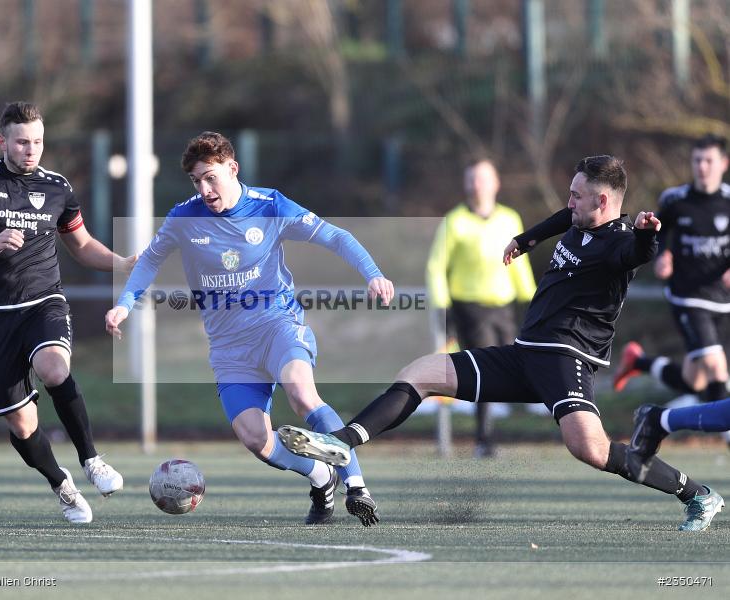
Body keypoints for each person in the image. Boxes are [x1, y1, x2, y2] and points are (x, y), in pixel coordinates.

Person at [279, 155, 725, 531]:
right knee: (420, 372)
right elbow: (559, 218)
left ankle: (697, 494)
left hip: (565, 361)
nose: (568, 201)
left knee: (592, 450)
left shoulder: (620, 242)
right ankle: (343, 441)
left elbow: (637, 255)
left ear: (602, 201)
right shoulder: (579, 218)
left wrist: (648, 235)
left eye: (576, 195)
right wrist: (525, 239)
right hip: (523, 354)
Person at [105, 131, 394, 526]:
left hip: (276, 323)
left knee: (302, 393)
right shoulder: (184, 217)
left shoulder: (269, 205)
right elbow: (150, 261)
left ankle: (357, 486)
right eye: (196, 181)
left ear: (232, 168)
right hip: (228, 345)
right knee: (256, 439)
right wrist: (124, 305)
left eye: (211, 177)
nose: (205, 189)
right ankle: (320, 474)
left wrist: (373, 273)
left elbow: (333, 235)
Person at [0, 101, 136, 524]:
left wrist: (122, 263)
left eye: (38, 142)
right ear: (3, 140)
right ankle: (61, 484)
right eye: (23, 141)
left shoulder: (58, 187)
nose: (31, 150)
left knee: (54, 369)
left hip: (44, 301)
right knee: (21, 424)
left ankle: (92, 459)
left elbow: (80, 245)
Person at [612, 135, 730, 424]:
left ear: (723, 164)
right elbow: (660, 231)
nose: (702, 167)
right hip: (687, 296)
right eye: (697, 160)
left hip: (721, 299)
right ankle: (725, 438)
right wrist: (664, 254)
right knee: (717, 366)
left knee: (695, 381)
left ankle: (638, 361)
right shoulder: (675, 200)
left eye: (709, 161)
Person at [426, 159, 537, 457]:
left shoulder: (509, 218)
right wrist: (442, 307)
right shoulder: (454, 221)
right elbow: (437, 266)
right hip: (470, 308)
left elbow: (519, 262)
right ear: (466, 184)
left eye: (484, 179)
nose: (478, 185)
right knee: (487, 371)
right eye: (473, 179)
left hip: (505, 306)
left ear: (496, 183)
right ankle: (484, 439)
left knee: (517, 368)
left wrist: (534, 298)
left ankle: (501, 433)